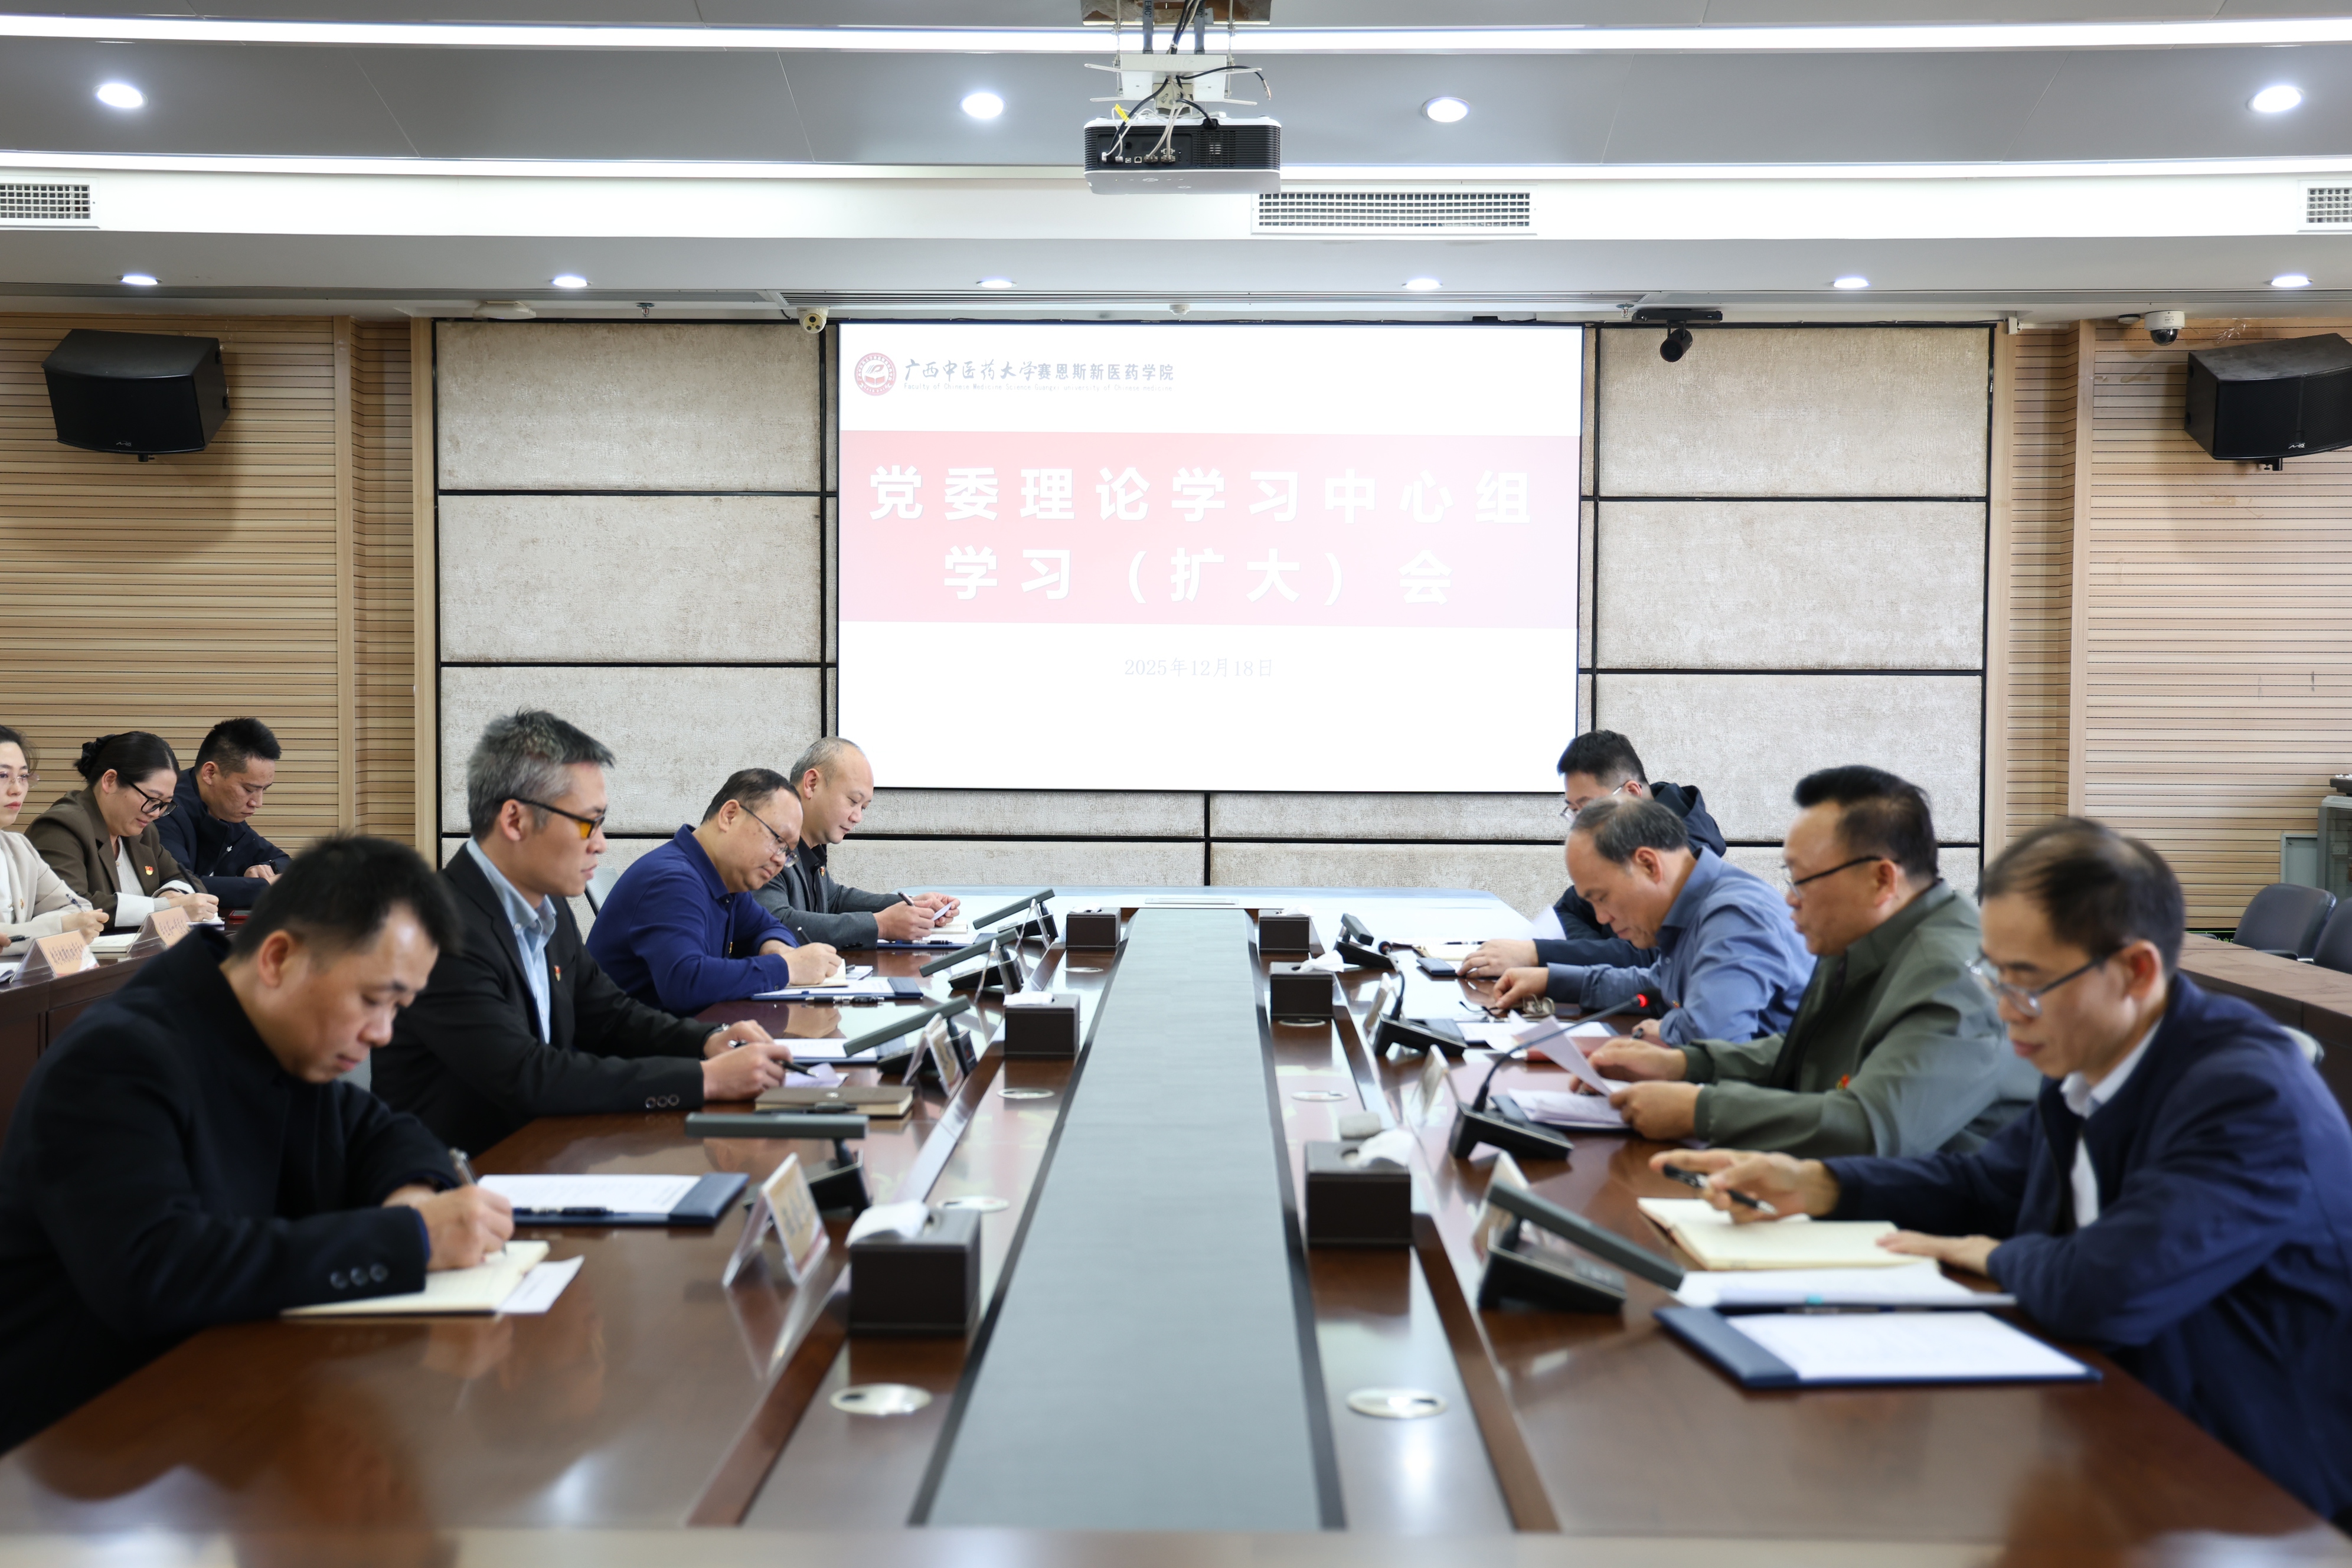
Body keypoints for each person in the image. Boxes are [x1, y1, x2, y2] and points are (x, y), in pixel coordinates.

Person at [1664, 818, 2352, 1527]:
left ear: (2136, 971)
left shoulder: (2248, 1097)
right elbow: (1988, 1185)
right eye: (1993, 974)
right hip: (2118, 1418)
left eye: (2026, 982)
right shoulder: (2089, 1053)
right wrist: (1824, 1185)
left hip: (2261, 1492)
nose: (2003, 1009)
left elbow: (2106, 1288)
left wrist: (1994, 1256)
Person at [0, 835, 516, 1452]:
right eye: (373, 1000)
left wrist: (415, 1195)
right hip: (91, 1445)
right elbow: (156, 1272)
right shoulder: (118, 1059)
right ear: (278, 958)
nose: (382, 1033)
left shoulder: (270, 1028)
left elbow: (384, 1132)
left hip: (222, 1406)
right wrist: (413, 1238)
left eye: (399, 1007)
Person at [375, 713, 797, 1157]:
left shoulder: (548, 906)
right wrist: (704, 1079)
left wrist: (707, 1041)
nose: (601, 843)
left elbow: (610, 1015)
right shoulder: (440, 930)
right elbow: (528, 1075)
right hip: (466, 1174)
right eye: (587, 823)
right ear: (515, 821)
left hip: (548, 1151)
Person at [1583, 765, 2035, 1149]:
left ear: (1881, 880)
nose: (1790, 900)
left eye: (1803, 880)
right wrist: (1684, 1064)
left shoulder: (1950, 973)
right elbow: (1811, 1051)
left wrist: (1701, 1110)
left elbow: (1872, 1128)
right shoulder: (1863, 938)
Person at [1489, 796, 1809, 1047]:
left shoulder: (1736, 918)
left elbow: (1712, 1047)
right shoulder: (1696, 905)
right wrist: (1550, 980)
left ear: (1648, 865)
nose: (1601, 917)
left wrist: (1663, 1031)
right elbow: (1654, 985)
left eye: (1602, 897)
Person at [1461, 730, 1726, 980]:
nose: (1581, 823)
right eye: (1574, 810)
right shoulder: (1621, 839)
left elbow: (1651, 959)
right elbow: (1568, 911)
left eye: (1588, 808)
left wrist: (1538, 954)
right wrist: (1605, 950)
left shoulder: (1681, 859)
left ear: (1632, 793)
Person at [587, 767, 842, 1015]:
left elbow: (768, 927)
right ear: (729, 815)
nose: (780, 859)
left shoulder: (725, 880)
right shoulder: (673, 881)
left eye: (788, 852)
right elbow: (686, 982)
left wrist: (777, 949)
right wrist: (786, 967)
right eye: (778, 840)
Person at [754, 737, 959, 948]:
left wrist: (912, 904)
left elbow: (835, 901)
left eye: (863, 808)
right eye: (853, 801)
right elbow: (776, 923)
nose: (857, 817)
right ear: (812, 784)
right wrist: (880, 925)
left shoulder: (810, 851)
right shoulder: (767, 847)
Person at [25, 732, 219, 929]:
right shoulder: (62, 825)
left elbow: (188, 880)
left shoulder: (142, 831)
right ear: (110, 781)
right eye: (152, 800)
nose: (156, 813)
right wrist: (164, 907)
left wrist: (170, 894)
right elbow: (72, 907)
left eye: (165, 804)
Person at [158, 717, 292, 911]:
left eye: (264, 789)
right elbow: (180, 886)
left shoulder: (224, 811)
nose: (257, 802)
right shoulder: (165, 809)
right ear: (210, 773)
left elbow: (283, 860)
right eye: (249, 789)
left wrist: (264, 869)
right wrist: (264, 887)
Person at [0, 726, 105, 947]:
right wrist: (56, 928)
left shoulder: (19, 847)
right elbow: (69, 924)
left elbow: (79, 910)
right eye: (3, 775)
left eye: (23, 776)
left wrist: (39, 931)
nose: (17, 789)